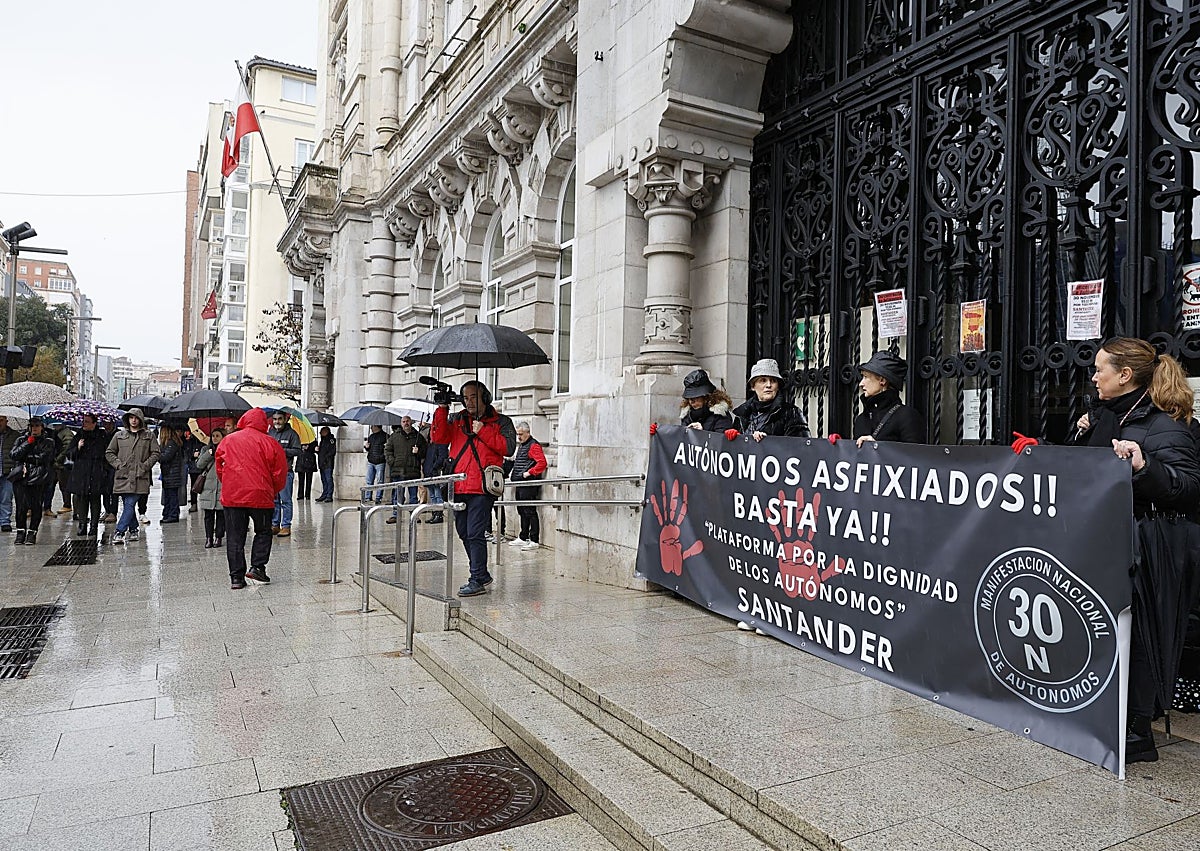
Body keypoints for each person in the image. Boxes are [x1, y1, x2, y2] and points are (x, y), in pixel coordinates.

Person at [1063, 337, 1200, 763]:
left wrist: (1144, 467)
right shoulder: (1107, 416)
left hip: (1154, 542)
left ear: (1125, 376)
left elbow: (1188, 487)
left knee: (1140, 631)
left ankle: (1137, 730)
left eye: (1100, 368)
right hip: (1116, 537)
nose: (1093, 375)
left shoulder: (1165, 426)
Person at [431, 380, 516, 597]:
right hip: (459, 485)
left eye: (473, 397)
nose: (469, 402)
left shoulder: (502, 421)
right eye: (465, 398)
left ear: (485, 398)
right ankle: (483, 574)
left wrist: (484, 431)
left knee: (475, 532)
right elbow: (438, 437)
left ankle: (477, 578)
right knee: (463, 532)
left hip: (482, 486)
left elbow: (508, 448)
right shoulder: (457, 418)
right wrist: (442, 410)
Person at [216, 408, 288, 589]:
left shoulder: (228, 441)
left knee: (234, 537)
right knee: (263, 531)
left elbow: (220, 468)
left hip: (233, 496)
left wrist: (229, 484)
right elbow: (280, 472)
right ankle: (257, 566)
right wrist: (272, 490)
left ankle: (236, 578)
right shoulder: (271, 442)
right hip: (261, 494)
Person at [105, 408, 160, 545]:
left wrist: (145, 466)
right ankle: (134, 529)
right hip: (123, 476)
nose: (134, 420)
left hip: (140, 476)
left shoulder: (148, 436)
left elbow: (156, 453)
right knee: (128, 505)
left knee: (129, 503)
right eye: (131, 418)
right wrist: (118, 464)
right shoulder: (119, 435)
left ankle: (120, 531)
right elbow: (109, 452)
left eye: (136, 418)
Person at [852, 351, 924, 446]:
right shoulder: (861, 419)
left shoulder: (907, 416)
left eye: (866, 377)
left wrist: (877, 449)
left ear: (882, 380)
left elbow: (916, 457)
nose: (861, 384)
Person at [732, 358, 809, 441]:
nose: (768, 385)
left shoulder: (792, 413)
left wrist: (768, 442)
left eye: (773, 381)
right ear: (753, 386)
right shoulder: (742, 415)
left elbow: (801, 448)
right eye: (763, 380)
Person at [9, 417, 57, 545]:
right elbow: (14, 455)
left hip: (38, 477)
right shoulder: (21, 439)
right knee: (21, 506)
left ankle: (32, 532)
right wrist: (27, 443)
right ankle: (20, 532)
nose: (34, 428)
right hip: (21, 477)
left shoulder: (48, 441)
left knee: (36, 506)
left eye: (37, 425)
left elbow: (44, 458)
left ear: (42, 427)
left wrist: (27, 457)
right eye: (32, 425)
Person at [66, 413, 110, 537]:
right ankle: (82, 525)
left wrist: (104, 469)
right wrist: (78, 448)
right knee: (82, 498)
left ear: (94, 423)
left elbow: (107, 453)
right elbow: (69, 454)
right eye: (83, 421)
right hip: (81, 472)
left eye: (87, 421)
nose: (84, 424)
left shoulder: (102, 436)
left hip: (97, 471)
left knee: (95, 499)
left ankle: (94, 526)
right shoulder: (79, 435)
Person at [508, 421, 547, 551]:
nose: (518, 437)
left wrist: (529, 473)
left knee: (530, 511)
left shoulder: (533, 445)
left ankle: (534, 539)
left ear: (528, 433)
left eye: (521, 434)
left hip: (528, 483)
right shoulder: (523, 445)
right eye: (517, 434)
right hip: (520, 483)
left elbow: (542, 463)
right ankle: (523, 536)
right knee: (522, 510)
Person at [384, 416, 427, 524]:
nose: (406, 423)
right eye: (403, 421)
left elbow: (425, 451)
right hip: (398, 470)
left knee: (413, 496)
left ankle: (414, 515)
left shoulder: (418, 437)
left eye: (407, 421)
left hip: (412, 470)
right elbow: (387, 450)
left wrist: (418, 452)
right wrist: (392, 462)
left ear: (411, 422)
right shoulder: (394, 436)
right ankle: (395, 515)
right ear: (401, 423)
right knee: (398, 495)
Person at [267, 411, 301, 537]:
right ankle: (275, 524)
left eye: (279, 419)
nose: (277, 422)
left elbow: (298, 451)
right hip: (272, 473)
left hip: (286, 472)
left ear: (285, 419)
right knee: (274, 500)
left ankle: (286, 526)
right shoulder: (270, 433)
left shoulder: (292, 434)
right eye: (275, 419)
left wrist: (282, 451)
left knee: (286, 501)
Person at [194, 427, 226, 548]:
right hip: (208, 486)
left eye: (218, 436)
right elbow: (199, 464)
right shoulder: (205, 449)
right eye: (213, 436)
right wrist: (209, 454)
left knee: (221, 514)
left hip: (222, 486)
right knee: (208, 515)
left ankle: (218, 537)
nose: (215, 438)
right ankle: (208, 538)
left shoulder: (227, 449)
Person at [46, 422, 75, 518]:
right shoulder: (58, 432)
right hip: (56, 464)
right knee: (51, 485)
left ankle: (67, 504)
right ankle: (47, 507)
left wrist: (58, 460)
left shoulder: (66, 433)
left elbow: (66, 448)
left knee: (64, 485)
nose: (55, 426)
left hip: (62, 465)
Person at [158, 425, 186, 523]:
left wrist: (157, 455)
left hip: (172, 474)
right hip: (169, 474)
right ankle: (168, 513)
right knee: (169, 495)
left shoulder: (171, 443)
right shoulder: (171, 443)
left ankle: (173, 514)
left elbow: (166, 457)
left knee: (172, 495)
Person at [422, 426, 448, 523]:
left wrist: (434, 467)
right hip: (428, 472)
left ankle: (439, 515)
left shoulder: (441, 445)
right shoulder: (429, 445)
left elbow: (442, 457)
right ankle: (434, 513)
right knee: (432, 496)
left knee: (438, 495)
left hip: (435, 473)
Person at [0, 414, 19, 533]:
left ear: (6, 421)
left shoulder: (14, 436)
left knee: (6, 498)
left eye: (1, 420)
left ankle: (5, 521)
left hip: (8, 472)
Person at [183, 430, 205, 513]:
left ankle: (200, 502)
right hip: (193, 467)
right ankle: (194, 503)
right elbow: (187, 453)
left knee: (203, 485)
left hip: (202, 467)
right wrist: (193, 454)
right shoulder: (190, 441)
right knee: (194, 486)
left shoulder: (203, 441)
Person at [364, 424, 387, 503]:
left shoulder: (386, 436)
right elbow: (369, 449)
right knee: (369, 480)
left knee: (380, 481)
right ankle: (368, 497)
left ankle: (378, 497)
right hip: (371, 460)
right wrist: (366, 447)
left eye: (373, 426)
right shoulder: (371, 437)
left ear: (377, 426)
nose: (371, 428)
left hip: (380, 461)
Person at [315, 426, 337, 502]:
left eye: (322, 431)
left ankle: (329, 496)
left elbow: (332, 452)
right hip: (322, 463)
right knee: (324, 480)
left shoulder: (331, 440)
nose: (320, 433)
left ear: (326, 432)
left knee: (328, 479)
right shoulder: (322, 440)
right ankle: (324, 494)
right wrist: (317, 450)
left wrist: (325, 458)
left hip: (328, 463)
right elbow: (321, 452)